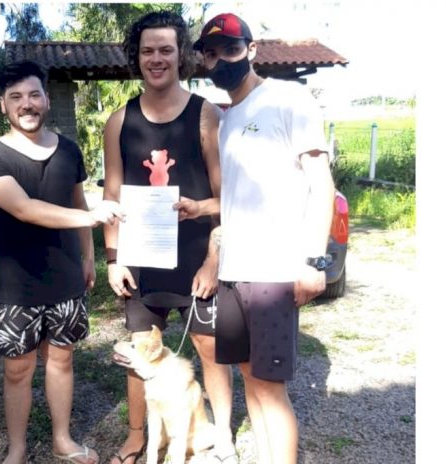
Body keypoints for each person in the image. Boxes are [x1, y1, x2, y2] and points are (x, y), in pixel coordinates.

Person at [183, 13, 336, 464]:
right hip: (234, 272)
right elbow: (239, 198)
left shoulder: (288, 99)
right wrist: (201, 209)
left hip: (273, 272)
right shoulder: (228, 119)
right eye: (212, 54)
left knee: (271, 389)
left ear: (251, 50)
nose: (221, 61)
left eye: (231, 49)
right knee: (251, 379)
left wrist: (314, 261)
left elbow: (320, 182)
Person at [0, 60, 123, 464]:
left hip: (66, 280)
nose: (27, 104)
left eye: (34, 94)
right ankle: (17, 450)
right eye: (16, 97)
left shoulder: (69, 150)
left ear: (46, 100)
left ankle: (62, 440)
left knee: (61, 361)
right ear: (3, 105)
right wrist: (91, 218)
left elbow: (78, 202)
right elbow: (25, 209)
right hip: (15, 287)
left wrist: (88, 256)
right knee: (17, 371)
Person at [102, 11, 236, 464]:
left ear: (181, 55)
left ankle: (223, 435)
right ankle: (137, 437)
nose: (156, 59)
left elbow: (226, 197)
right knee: (141, 350)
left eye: (165, 50)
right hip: (141, 260)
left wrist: (214, 260)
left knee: (209, 347)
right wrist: (113, 259)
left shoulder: (207, 115)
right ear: (136, 57)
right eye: (147, 51)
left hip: (197, 257)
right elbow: (112, 195)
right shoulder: (119, 121)